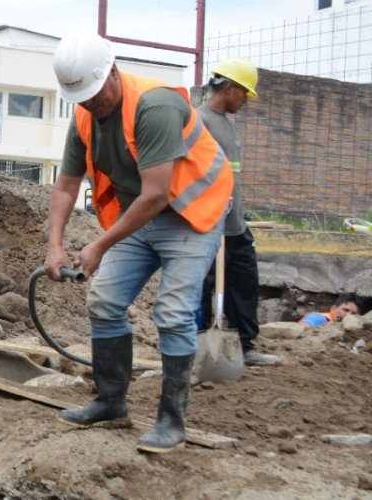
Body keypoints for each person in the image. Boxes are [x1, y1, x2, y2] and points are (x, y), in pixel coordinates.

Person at [44, 32, 233, 454]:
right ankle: (111, 402)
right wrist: (54, 245)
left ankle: (171, 420)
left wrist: (99, 246)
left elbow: (157, 193)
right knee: (104, 301)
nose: (91, 104)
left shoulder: (155, 104)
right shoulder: (83, 117)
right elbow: (65, 187)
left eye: (95, 94)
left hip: (190, 213)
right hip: (140, 216)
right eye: (82, 98)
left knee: (171, 312)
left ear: (113, 72)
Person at [194, 58, 281, 367]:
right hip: (207, 222)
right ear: (228, 88)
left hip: (235, 222)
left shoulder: (228, 122)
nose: (245, 100)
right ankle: (200, 347)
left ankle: (246, 346)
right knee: (202, 287)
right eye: (243, 93)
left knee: (244, 281)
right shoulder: (198, 121)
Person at [299, 294, 364, 327]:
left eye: (354, 313)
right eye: (345, 310)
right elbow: (301, 328)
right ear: (333, 309)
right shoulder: (318, 318)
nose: (348, 315)